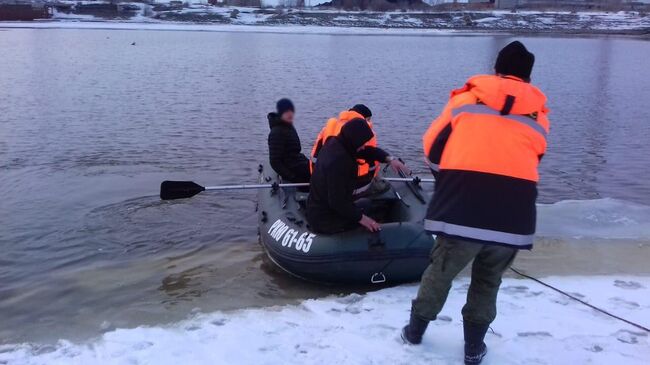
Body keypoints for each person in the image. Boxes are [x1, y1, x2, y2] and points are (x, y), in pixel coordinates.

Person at [401, 41, 550, 365]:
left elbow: (431, 147)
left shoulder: (466, 100)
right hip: (513, 215)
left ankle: (414, 332)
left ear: (497, 68)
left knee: (440, 272)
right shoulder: (538, 113)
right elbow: (534, 155)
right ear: (527, 76)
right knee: (488, 280)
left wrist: (450, 181)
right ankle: (472, 348)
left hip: (462, 208)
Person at [310, 104, 408, 195]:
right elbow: (369, 156)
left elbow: (315, 155)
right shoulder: (363, 132)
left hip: (318, 178)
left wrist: (389, 159)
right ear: (366, 119)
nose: (363, 146)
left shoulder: (329, 129)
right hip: (354, 185)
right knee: (381, 186)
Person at [306, 118, 383, 234]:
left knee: (367, 204)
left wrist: (389, 159)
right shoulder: (339, 162)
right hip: (326, 220)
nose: (363, 146)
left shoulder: (334, 143)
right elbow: (337, 202)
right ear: (354, 140)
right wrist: (363, 219)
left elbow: (366, 151)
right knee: (370, 215)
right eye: (362, 143)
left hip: (317, 209)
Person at [267, 98, 311, 183]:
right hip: (292, 168)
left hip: (297, 162)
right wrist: (292, 177)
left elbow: (296, 149)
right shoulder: (276, 133)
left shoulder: (289, 127)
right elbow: (274, 161)